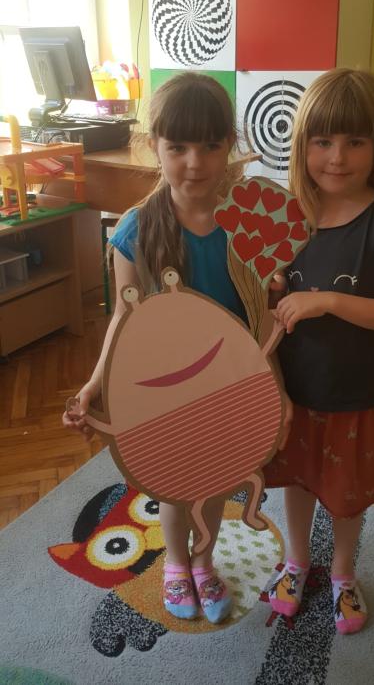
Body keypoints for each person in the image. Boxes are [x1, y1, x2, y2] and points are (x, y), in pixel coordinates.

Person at [63, 71, 264, 625]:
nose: (194, 163)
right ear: (154, 145)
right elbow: (123, 317)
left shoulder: (246, 221)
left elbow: (263, 305)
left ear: (230, 144)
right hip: (165, 388)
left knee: (216, 483)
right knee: (176, 486)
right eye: (178, 147)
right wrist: (95, 384)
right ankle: (177, 563)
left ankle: (204, 562)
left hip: (228, 382)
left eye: (211, 146)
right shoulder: (134, 230)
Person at [263, 68, 374, 634]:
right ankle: (296, 562)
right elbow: (270, 296)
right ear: (302, 143)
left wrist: (326, 300)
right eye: (323, 140)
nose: (337, 157)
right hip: (297, 389)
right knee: (297, 480)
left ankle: (343, 573)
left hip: (360, 392)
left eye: (355, 141)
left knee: (347, 495)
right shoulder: (288, 216)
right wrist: (272, 288)